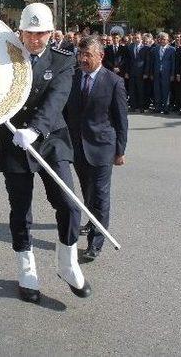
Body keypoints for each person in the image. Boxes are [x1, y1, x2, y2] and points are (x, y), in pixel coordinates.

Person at [0, 2, 91, 305]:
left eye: (41, 33)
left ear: (51, 33)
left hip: (50, 138)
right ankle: (26, 267)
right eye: (30, 33)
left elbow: (57, 98)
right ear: (20, 31)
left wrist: (35, 129)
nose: (35, 39)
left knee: (69, 204)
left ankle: (67, 262)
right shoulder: (3, 58)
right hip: (14, 138)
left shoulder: (63, 60)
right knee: (21, 209)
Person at [65, 36, 128, 260]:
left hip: (102, 147)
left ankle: (96, 242)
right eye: (80, 54)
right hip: (78, 147)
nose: (82, 59)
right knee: (88, 191)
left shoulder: (113, 82)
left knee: (100, 195)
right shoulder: (72, 78)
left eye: (87, 55)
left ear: (100, 56)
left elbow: (121, 120)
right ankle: (92, 220)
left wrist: (120, 150)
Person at [150, 32, 176, 114]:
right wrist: (151, 73)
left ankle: (166, 107)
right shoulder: (155, 49)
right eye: (161, 39)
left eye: (164, 39)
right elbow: (152, 62)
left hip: (167, 73)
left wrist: (172, 74)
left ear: (167, 40)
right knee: (157, 90)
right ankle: (157, 107)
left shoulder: (172, 49)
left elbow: (173, 63)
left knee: (166, 91)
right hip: (156, 72)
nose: (162, 41)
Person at [126, 32, 148, 112]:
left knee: (141, 90)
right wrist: (127, 72)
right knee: (132, 90)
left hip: (141, 73)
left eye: (138, 38)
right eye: (135, 38)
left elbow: (147, 61)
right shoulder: (130, 47)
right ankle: (133, 106)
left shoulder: (145, 48)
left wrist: (146, 73)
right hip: (132, 72)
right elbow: (128, 61)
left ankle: (141, 107)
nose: (136, 39)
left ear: (141, 38)